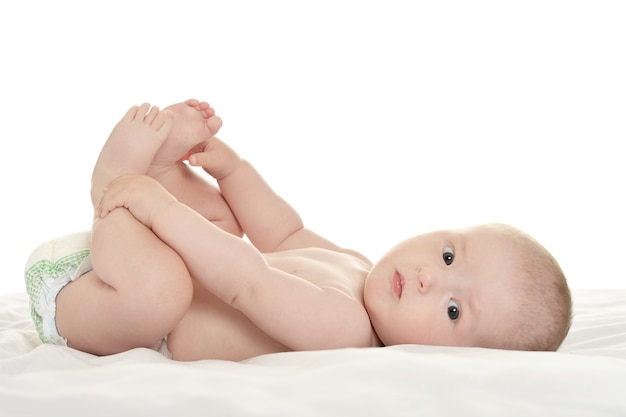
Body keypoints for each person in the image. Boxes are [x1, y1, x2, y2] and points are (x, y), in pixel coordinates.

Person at [25, 99, 573, 361]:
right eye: (450, 257)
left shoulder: (347, 331)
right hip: (127, 270)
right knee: (228, 225)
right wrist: (233, 171)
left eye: (454, 311)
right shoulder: (358, 268)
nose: (431, 278)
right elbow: (284, 234)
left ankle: (112, 189)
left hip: (116, 317)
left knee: (166, 291)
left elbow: (250, 282)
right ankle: (163, 177)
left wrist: (164, 216)